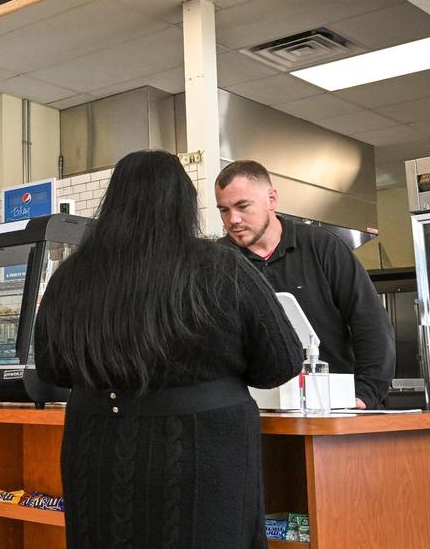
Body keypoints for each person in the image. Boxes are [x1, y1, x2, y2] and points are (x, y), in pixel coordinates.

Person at [33, 150, 303, 549]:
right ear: (184, 203)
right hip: (203, 454)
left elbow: (52, 368)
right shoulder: (221, 266)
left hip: (96, 447)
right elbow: (282, 360)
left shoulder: (73, 275)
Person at [214, 160, 396, 408]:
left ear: (272, 199)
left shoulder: (322, 247)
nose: (233, 219)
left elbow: (370, 323)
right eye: (224, 210)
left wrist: (366, 394)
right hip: (253, 410)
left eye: (242, 206)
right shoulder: (216, 262)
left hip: (333, 407)